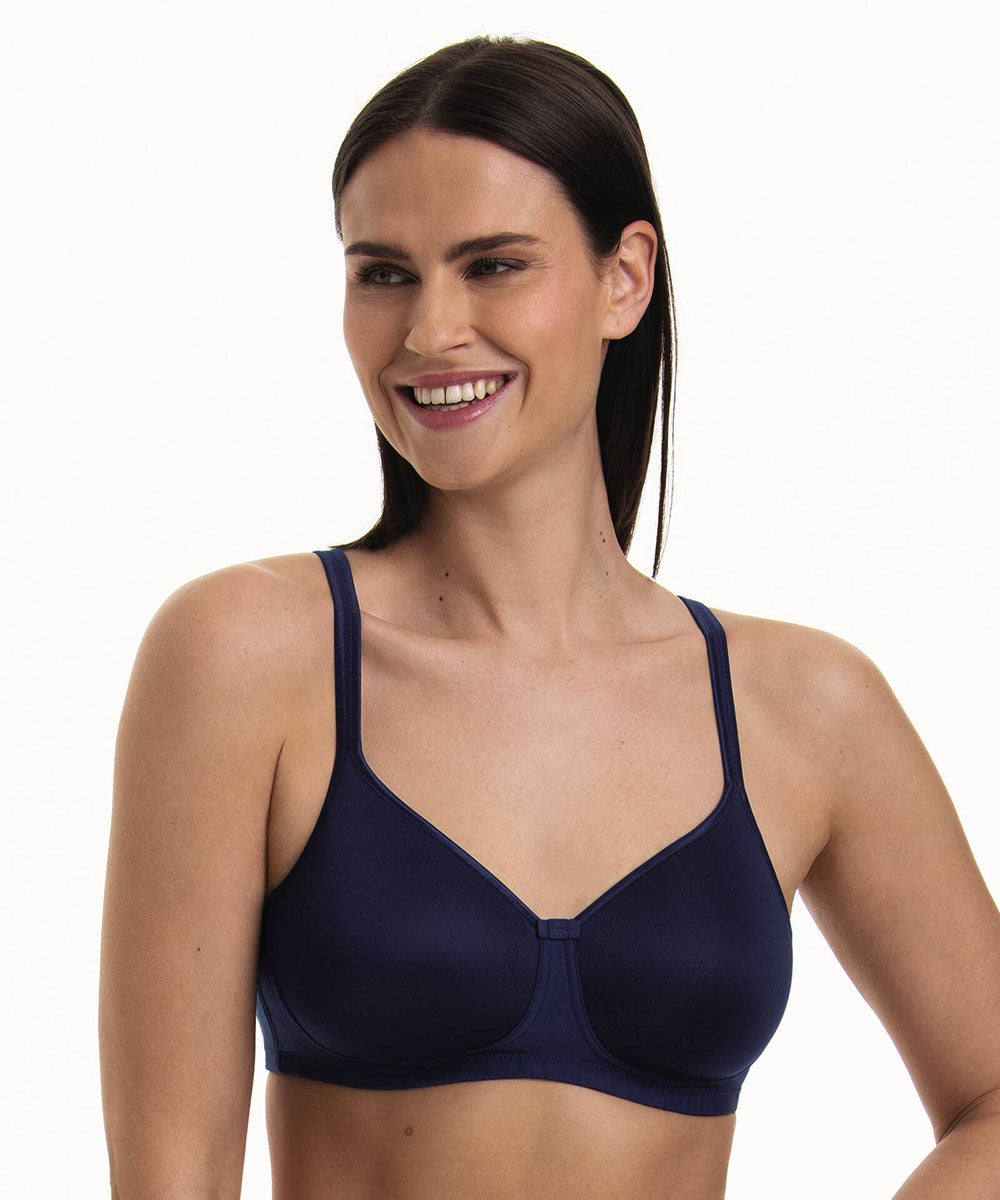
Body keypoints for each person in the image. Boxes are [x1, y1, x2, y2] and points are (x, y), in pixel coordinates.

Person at [99, 33, 1000, 1200]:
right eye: (383, 273)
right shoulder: (245, 655)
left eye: (492, 265)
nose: (429, 332)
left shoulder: (803, 704)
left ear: (625, 278)